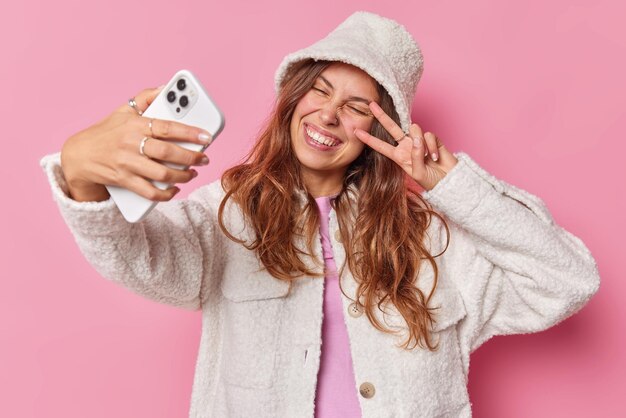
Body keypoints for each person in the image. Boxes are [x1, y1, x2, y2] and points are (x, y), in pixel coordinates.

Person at [40, 11, 600, 418]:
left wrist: (452, 185)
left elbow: (566, 280)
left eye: (357, 107)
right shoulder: (229, 215)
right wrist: (84, 178)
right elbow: (141, 259)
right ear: (294, 99)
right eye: (320, 91)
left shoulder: (428, 238)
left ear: (379, 133)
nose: (329, 115)